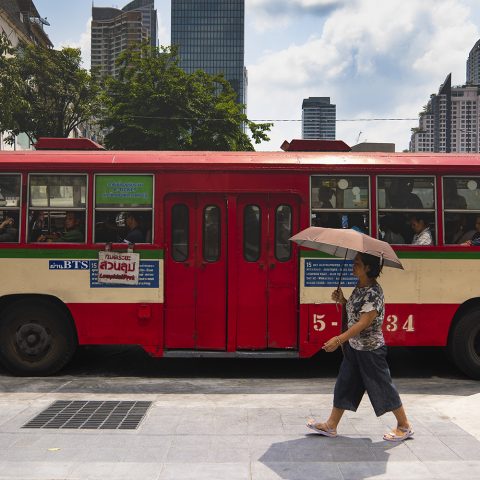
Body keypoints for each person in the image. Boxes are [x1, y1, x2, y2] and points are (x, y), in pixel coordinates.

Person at [306, 253, 413, 442]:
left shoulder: (374, 292)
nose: (352, 266)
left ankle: (404, 426)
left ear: (368, 268)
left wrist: (338, 339)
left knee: (382, 387)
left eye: (357, 263)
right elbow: (356, 313)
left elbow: (363, 323)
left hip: (370, 350)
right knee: (344, 384)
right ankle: (331, 425)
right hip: (355, 349)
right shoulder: (360, 286)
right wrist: (343, 301)